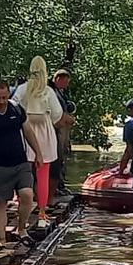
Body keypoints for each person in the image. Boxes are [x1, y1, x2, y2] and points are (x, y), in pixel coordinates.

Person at [0, 80, 44, 246]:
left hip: (21, 162)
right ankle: (1, 240)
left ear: (8, 95)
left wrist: (38, 153)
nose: (1, 101)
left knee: (27, 195)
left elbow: (28, 131)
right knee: (0, 204)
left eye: (4, 97)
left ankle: (22, 229)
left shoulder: (16, 109)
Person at [12, 56, 64, 221]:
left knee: (24, 173)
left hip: (25, 132)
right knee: (43, 174)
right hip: (45, 134)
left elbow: (12, 107)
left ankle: (21, 206)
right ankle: (42, 210)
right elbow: (57, 114)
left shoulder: (22, 89)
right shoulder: (48, 91)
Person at [48, 69, 76, 197]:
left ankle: (60, 185)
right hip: (56, 129)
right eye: (65, 82)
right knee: (57, 158)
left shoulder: (60, 92)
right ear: (58, 78)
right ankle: (56, 187)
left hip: (62, 129)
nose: (67, 85)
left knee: (63, 155)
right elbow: (55, 112)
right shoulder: (51, 91)